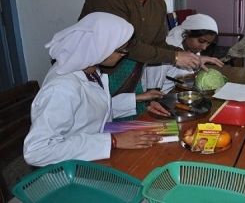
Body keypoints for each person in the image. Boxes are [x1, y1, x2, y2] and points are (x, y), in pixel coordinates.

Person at [79, 0, 223, 117]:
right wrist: (175, 56)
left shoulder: (157, 3)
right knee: (96, 119)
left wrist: (190, 57)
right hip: (95, 72)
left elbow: (158, 44)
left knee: (133, 121)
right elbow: (124, 46)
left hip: (133, 74)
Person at [24, 13, 164, 167]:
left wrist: (138, 98)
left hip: (92, 157)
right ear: (102, 48)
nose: (123, 56)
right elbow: (37, 151)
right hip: (69, 171)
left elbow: (91, 110)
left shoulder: (88, 69)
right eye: (121, 51)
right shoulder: (62, 88)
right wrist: (113, 141)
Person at [142, 14, 218, 93]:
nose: (204, 47)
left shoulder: (191, 47)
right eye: (201, 41)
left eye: (208, 43)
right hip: (162, 97)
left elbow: (188, 73)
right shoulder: (165, 50)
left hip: (180, 91)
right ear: (188, 33)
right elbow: (152, 90)